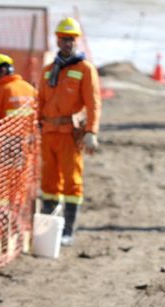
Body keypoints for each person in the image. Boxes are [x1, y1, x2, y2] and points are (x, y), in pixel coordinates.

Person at [38, 17, 101, 246]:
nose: (67, 43)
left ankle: (68, 231)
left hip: (69, 134)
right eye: (64, 39)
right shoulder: (47, 70)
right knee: (48, 183)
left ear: (77, 41)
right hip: (48, 132)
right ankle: (47, 231)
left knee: (72, 182)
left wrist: (91, 131)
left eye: (71, 39)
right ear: (57, 40)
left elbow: (93, 103)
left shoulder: (85, 69)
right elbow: (40, 100)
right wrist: (36, 126)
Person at [0, 53, 38, 243]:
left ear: (2, 70)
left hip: (4, 148)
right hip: (27, 147)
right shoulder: (30, 90)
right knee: (19, 190)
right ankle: (16, 231)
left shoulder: (0, 91)